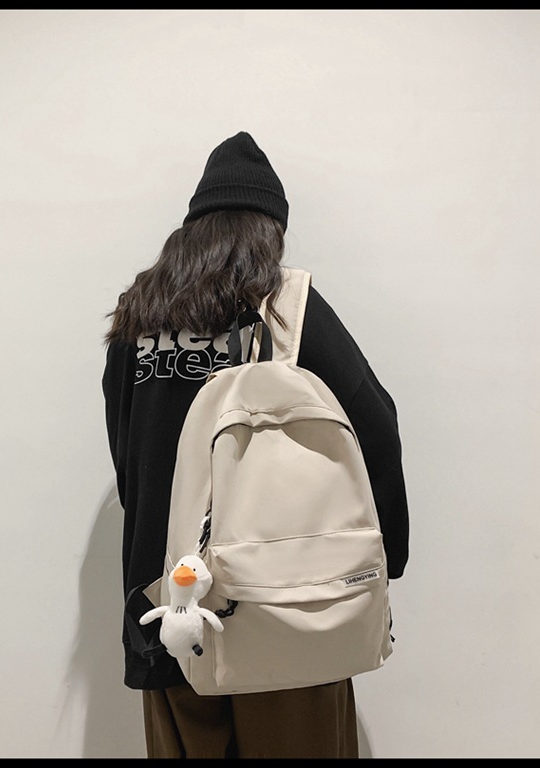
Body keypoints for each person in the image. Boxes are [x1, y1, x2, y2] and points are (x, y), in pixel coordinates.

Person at [101, 131, 409, 759]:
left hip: (168, 603)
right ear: (270, 232)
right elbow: (374, 423)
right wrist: (384, 557)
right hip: (281, 599)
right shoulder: (288, 307)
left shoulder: (138, 317)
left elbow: (126, 458)